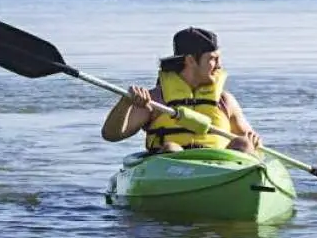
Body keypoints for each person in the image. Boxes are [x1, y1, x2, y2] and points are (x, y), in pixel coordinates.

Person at [101, 26, 263, 155]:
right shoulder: (156, 99)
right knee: (172, 148)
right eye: (213, 59)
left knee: (243, 144)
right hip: (173, 169)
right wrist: (126, 103)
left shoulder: (225, 101)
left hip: (220, 168)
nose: (219, 65)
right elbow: (111, 134)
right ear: (191, 60)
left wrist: (253, 140)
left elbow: (252, 140)